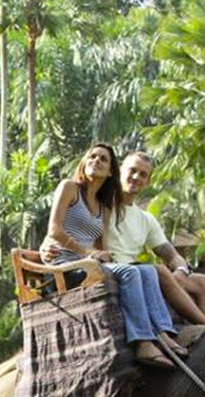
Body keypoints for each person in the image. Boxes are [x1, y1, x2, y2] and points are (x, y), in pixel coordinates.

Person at [40, 143, 185, 369]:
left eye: (103, 159)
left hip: (88, 265)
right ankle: (142, 342)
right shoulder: (69, 188)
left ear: (110, 172)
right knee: (129, 272)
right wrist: (87, 253)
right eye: (93, 156)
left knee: (145, 270)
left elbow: (101, 246)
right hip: (65, 265)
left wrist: (103, 256)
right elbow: (54, 231)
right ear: (84, 162)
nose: (96, 161)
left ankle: (162, 332)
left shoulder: (102, 207)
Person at [107, 151, 205, 325]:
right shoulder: (102, 206)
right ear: (120, 171)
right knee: (159, 271)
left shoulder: (146, 219)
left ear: (148, 182)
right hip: (117, 271)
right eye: (132, 170)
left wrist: (181, 272)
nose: (136, 177)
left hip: (141, 274)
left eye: (143, 174)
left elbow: (172, 255)